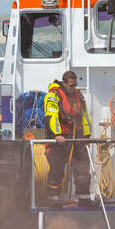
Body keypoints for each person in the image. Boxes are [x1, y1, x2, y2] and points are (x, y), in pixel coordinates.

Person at [43, 70, 94, 208]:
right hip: (60, 139)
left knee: (83, 167)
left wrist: (86, 137)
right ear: (64, 83)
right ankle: (53, 199)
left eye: (75, 85)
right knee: (57, 168)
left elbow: (85, 117)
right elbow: (51, 116)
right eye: (71, 85)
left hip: (77, 138)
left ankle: (84, 198)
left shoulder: (79, 96)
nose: (73, 88)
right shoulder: (53, 96)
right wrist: (57, 134)